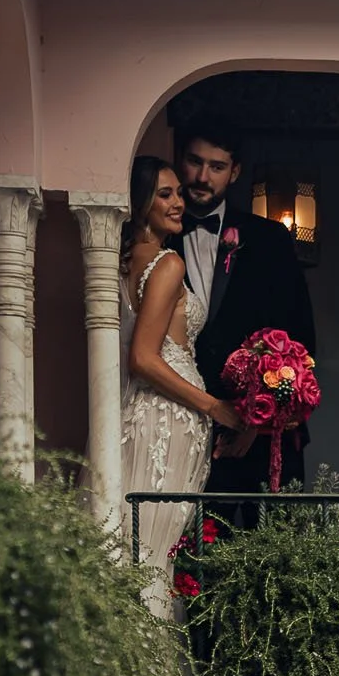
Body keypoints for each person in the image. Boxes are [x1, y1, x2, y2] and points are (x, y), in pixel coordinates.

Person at [118, 154, 244, 613]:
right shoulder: (168, 263)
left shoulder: (124, 260)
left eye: (177, 192)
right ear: (140, 203)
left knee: (137, 549)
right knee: (150, 557)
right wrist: (213, 406)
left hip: (142, 415)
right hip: (167, 419)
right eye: (164, 194)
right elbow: (143, 358)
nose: (178, 203)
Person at [176, 119, 318, 495]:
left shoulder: (270, 239)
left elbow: (298, 337)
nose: (203, 176)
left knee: (272, 542)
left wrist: (257, 421)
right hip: (181, 422)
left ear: (234, 172)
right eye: (194, 162)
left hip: (263, 434)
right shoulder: (157, 238)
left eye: (217, 167)